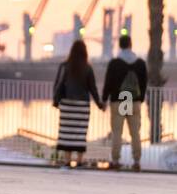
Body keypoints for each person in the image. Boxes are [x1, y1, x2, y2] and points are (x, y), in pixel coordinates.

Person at [51, 39, 103, 168]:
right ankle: (79, 161)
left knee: (66, 133)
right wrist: (99, 104)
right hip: (82, 106)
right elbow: (93, 88)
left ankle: (67, 160)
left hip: (67, 104)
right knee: (80, 133)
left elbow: (58, 84)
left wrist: (56, 101)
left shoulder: (64, 66)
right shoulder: (88, 68)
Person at [101, 34, 148, 171]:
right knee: (135, 133)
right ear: (130, 44)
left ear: (119, 45)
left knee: (117, 132)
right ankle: (137, 161)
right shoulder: (140, 63)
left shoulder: (115, 63)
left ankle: (115, 160)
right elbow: (144, 83)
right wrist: (141, 99)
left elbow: (108, 83)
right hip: (134, 101)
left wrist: (104, 99)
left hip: (119, 100)